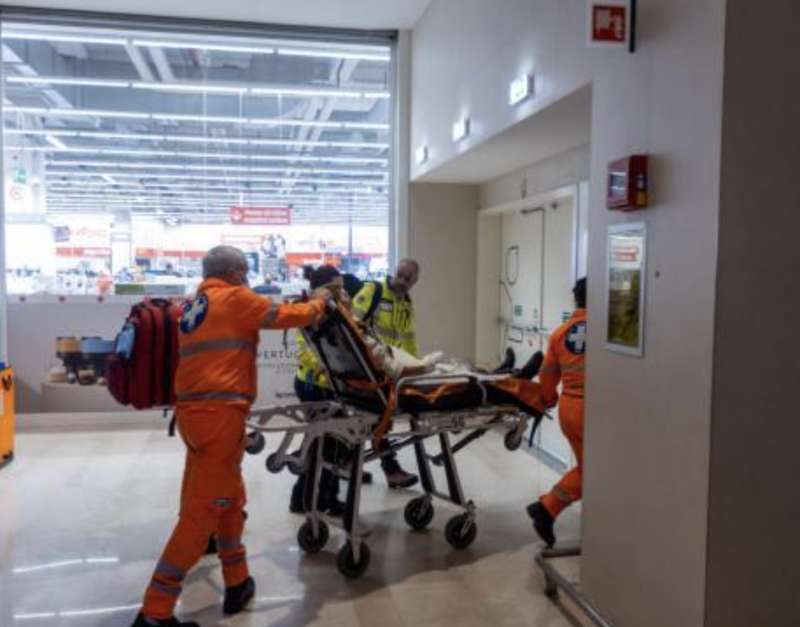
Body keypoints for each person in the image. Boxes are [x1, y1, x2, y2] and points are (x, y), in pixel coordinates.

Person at [131, 246, 330, 627]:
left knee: (228, 498)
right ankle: (155, 612)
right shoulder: (236, 297)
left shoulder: (196, 304)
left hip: (194, 414)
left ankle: (237, 582)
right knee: (202, 512)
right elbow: (289, 316)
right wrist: (320, 302)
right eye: (246, 269)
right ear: (236, 271)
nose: (248, 276)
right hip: (219, 415)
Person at [526, 277, 587, 548]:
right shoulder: (612, 332)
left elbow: (548, 373)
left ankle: (547, 508)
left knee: (589, 468)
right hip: (596, 411)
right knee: (596, 470)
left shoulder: (561, 333)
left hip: (570, 409)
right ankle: (547, 508)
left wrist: (547, 398)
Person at [351, 259, 421, 488]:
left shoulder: (406, 303)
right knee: (378, 419)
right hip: (367, 368)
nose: (401, 281)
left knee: (374, 420)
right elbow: (353, 324)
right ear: (394, 271)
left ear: (415, 282)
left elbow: (408, 340)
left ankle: (350, 466)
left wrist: (416, 368)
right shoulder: (374, 291)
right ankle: (391, 470)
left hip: (387, 369)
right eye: (400, 275)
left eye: (407, 279)